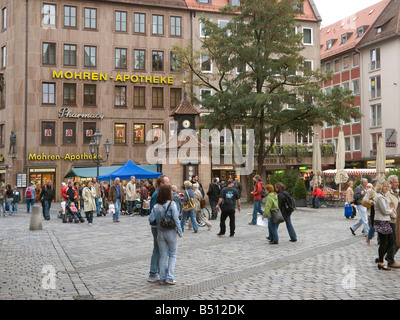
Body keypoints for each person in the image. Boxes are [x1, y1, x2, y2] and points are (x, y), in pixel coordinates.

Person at [149, 184, 182, 285]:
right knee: (172, 255)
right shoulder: (172, 204)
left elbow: (151, 219)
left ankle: (162, 277)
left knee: (163, 256)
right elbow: (176, 218)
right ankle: (170, 277)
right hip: (170, 232)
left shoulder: (156, 206)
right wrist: (180, 231)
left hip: (160, 233)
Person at [148, 175, 170, 283]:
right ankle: (153, 273)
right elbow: (153, 212)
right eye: (167, 182)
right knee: (158, 249)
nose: (168, 184)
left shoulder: (160, 193)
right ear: (161, 184)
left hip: (159, 225)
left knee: (161, 250)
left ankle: (158, 272)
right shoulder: (157, 194)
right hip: (157, 226)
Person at [374, 181, 396, 271]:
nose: (386, 188)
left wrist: (389, 209)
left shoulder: (383, 196)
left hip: (385, 221)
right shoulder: (379, 197)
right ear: (380, 187)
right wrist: (392, 210)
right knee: (383, 242)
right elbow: (384, 211)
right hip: (381, 221)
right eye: (384, 186)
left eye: (387, 186)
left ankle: (380, 257)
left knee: (391, 241)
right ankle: (381, 262)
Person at [385, 175, 400, 268]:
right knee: (395, 241)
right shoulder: (388, 194)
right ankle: (390, 259)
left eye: (398, 182)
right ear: (390, 183)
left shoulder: (397, 192)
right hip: (391, 220)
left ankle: (387, 256)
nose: (397, 184)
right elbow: (387, 208)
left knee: (396, 241)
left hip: (397, 220)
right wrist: (395, 215)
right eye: (395, 182)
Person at [364, 178, 379, 245]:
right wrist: (372, 202)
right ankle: (369, 236)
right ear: (374, 183)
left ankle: (379, 240)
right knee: (373, 226)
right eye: (377, 182)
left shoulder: (380, 190)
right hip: (372, 211)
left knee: (380, 226)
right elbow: (365, 200)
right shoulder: (370, 191)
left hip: (380, 210)